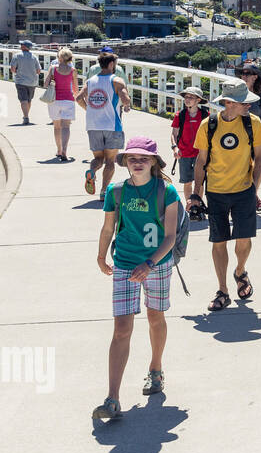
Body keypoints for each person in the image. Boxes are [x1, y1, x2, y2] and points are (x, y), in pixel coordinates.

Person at [91, 137, 181, 422]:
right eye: (132, 158)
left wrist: (150, 263)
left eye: (144, 158)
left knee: (156, 317)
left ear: (154, 162)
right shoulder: (116, 192)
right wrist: (101, 255)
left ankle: (156, 369)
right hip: (125, 264)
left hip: (157, 264)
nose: (138, 162)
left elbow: (170, 236)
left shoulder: (166, 192)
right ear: (125, 163)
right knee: (121, 329)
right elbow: (108, 228)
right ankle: (113, 398)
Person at [189, 83, 261, 311]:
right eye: (244, 102)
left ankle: (240, 270)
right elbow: (201, 162)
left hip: (244, 190)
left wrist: (255, 189)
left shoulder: (253, 123)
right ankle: (222, 289)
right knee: (219, 240)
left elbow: (260, 158)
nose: (249, 105)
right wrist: (196, 194)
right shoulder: (208, 125)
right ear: (229, 103)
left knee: (244, 239)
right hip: (216, 192)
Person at [75, 53, 132, 199]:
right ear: (112, 64)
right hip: (112, 126)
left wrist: (89, 109)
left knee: (98, 159)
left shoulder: (90, 81)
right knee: (110, 161)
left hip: (93, 125)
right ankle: (104, 191)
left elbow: (78, 98)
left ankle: (92, 171)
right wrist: (126, 103)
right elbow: (125, 100)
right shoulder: (117, 81)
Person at [238, 62, 261, 214]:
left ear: (255, 77)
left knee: (258, 166)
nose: (243, 76)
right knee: (241, 169)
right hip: (239, 137)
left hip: (256, 137)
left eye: (247, 73)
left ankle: (252, 195)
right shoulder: (237, 94)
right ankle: (248, 197)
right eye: (242, 73)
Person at [170, 87, 206, 212]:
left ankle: (198, 205)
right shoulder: (180, 115)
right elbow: (174, 134)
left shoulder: (205, 115)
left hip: (200, 153)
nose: (187, 100)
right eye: (186, 97)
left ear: (198, 100)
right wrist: (175, 148)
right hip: (184, 153)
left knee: (199, 181)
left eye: (191, 97)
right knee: (187, 182)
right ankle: (190, 206)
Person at [43, 47, 78, 160]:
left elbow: (45, 84)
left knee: (57, 127)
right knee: (66, 127)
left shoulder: (53, 68)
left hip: (54, 100)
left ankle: (58, 150)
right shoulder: (73, 71)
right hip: (68, 100)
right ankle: (64, 151)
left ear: (60, 57)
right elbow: (75, 89)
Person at [9, 40, 41, 125]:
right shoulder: (34, 57)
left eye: (22, 44)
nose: (20, 45)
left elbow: (12, 69)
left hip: (21, 81)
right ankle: (26, 115)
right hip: (32, 82)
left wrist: (18, 72)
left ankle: (26, 117)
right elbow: (38, 71)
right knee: (29, 100)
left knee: (23, 100)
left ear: (25, 47)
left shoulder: (17, 56)